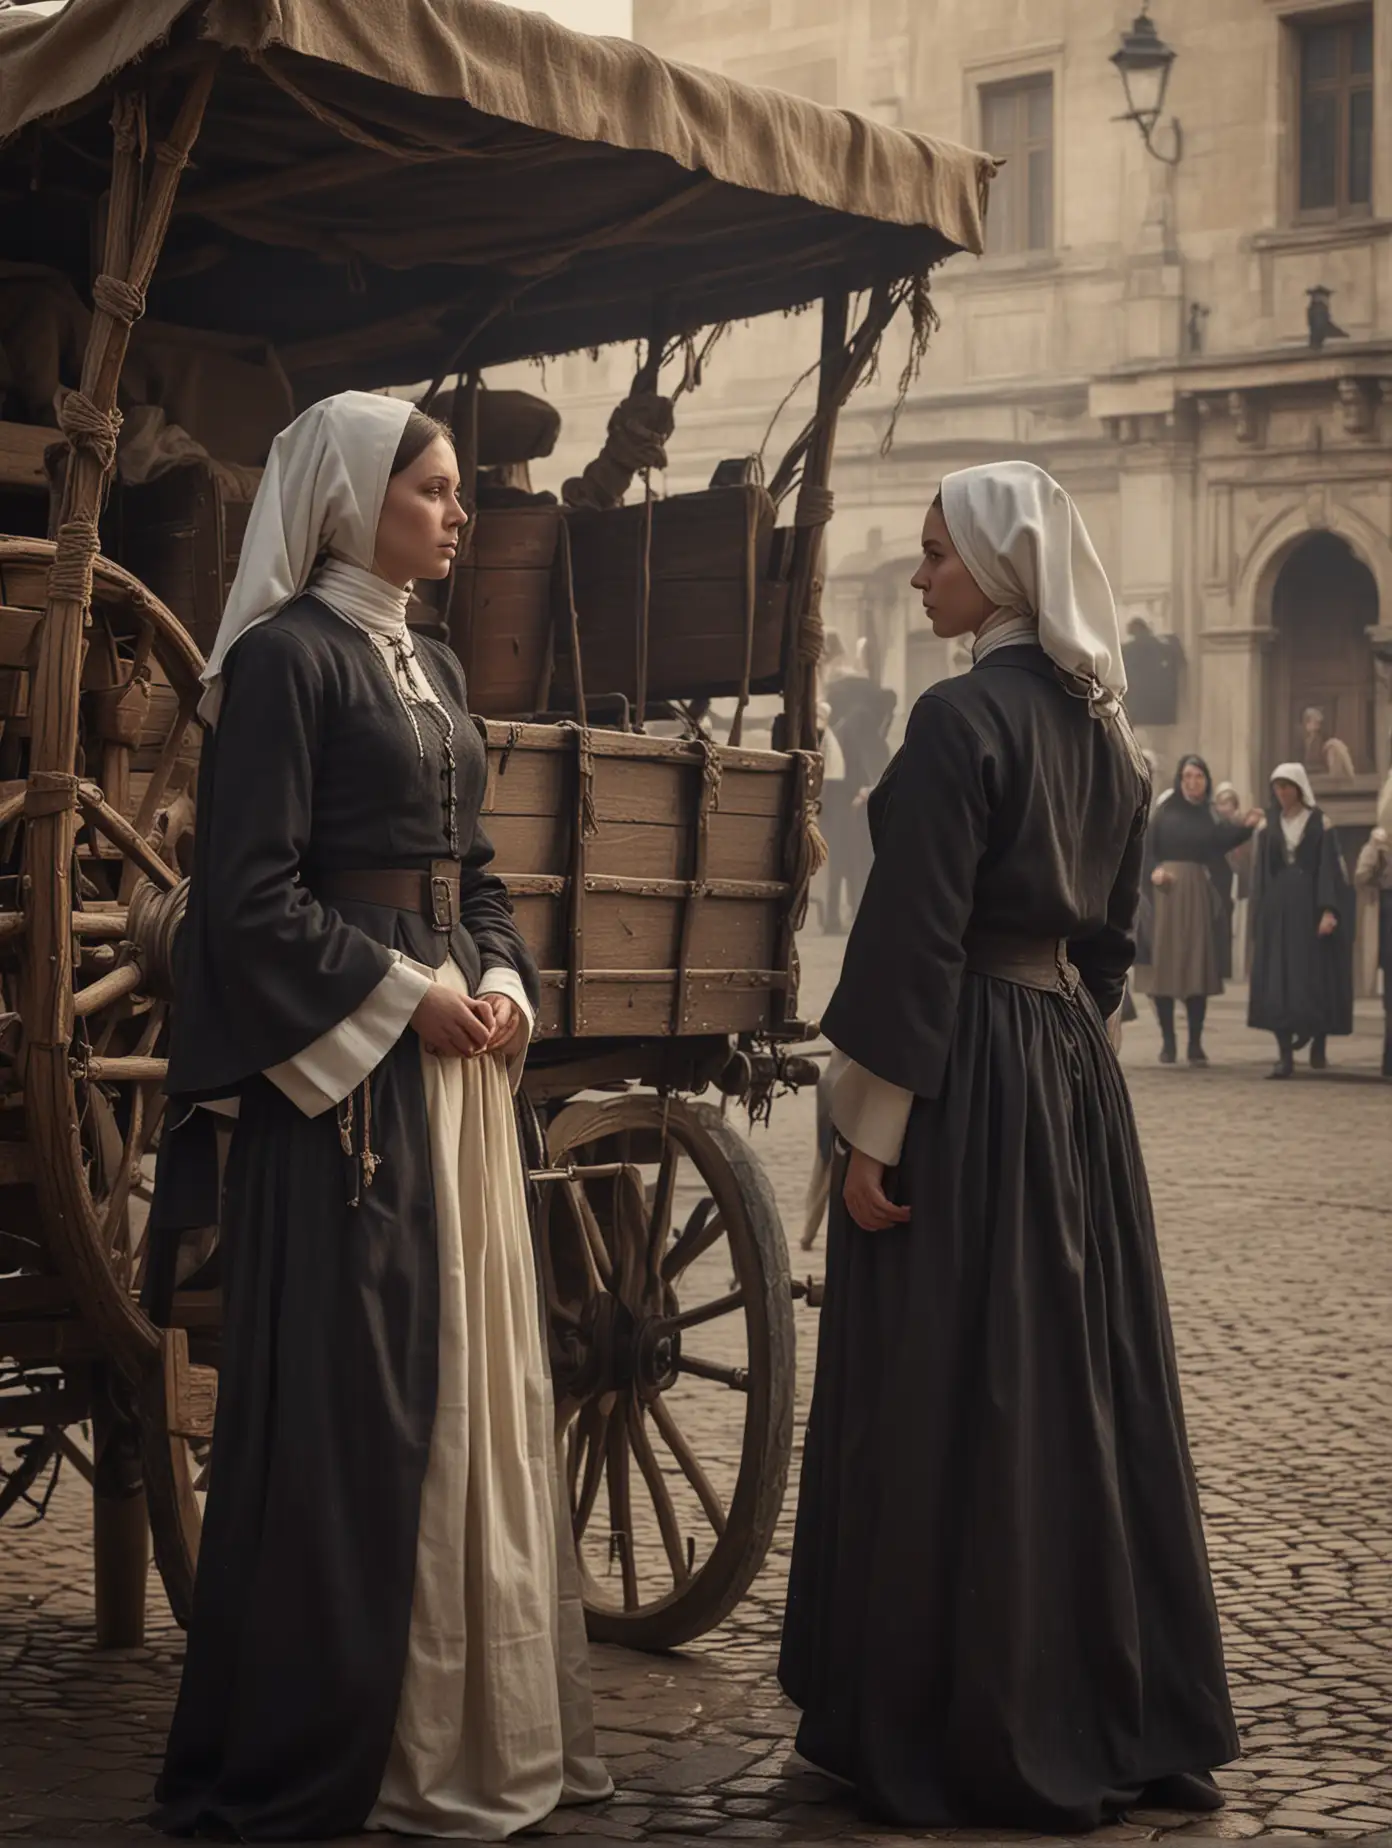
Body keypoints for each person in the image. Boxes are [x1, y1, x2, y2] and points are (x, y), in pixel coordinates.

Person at [148, 393, 610, 1839]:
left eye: (461, 491)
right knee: (364, 1404)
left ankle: (471, 1716)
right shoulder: (284, 668)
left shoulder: (435, 664)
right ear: (355, 502)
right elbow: (251, 903)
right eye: (432, 489)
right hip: (341, 1100)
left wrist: (503, 988)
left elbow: (470, 871)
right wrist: (406, 998)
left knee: (470, 1390)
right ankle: (352, 1733)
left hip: (454, 1084)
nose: (459, 512)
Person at [778, 461, 1238, 1831]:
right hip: (1069, 1081)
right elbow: (1107, 951)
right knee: (1080, 1391)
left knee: (953, 1388)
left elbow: (911, 943)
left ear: (1002, 570)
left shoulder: (958, 720)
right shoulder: (1111, 737)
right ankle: (1119, 1706)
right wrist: (1059, 1060)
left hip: (969, 1082)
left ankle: (955, 1718)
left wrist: (872, 1137)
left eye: (935, 556)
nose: (920, 576)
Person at [1135, 756, 1260, 1065]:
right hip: (1167, 894)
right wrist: (1153, 873)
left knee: (1196, 969)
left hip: (1197, 896)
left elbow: (1221, 842)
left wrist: (1246, 828)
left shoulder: (1210, 817)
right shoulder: (1164, 814)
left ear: (1206, 781)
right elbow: (1145, 850)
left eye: (1199, 777)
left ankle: (1194, 1043)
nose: (1193, 782)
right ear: (1180, 780)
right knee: (1164, 971)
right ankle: (1168, 1043)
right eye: (1188, 776)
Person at [1248, 763, 1356, 1079]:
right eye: (1278, 787)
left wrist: (1328, 909)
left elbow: (1329, 869)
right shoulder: (1269, 826)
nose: (1282, 793)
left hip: (1310, 905)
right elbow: (1263, 873)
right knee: (1280, 980)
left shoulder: (1320, 823)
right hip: (1280, 909)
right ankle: (1285, 1056)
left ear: (1299, 789)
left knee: (1312, 976)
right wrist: (1261, 913)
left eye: (1287, 787)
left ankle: (1317, 1040)